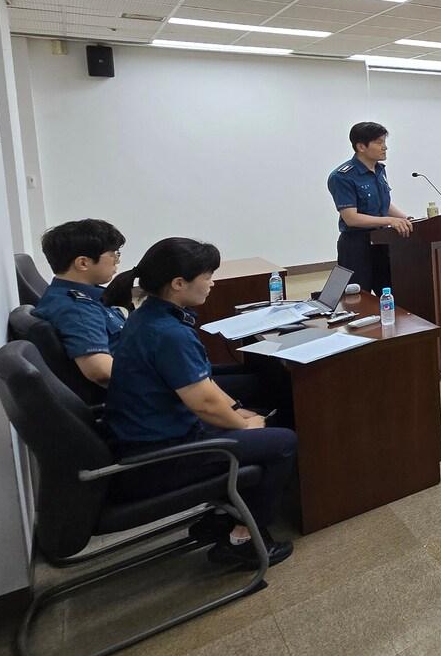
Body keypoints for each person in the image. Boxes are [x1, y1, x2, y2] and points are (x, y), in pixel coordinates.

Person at [105, 238, 295, 567]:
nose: (213, 282)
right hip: (163, 456)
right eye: (207, 276)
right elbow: (204, 404)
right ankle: (242, 540)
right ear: (178, 283)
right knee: (283, 441)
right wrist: (244, 425)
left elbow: (202, 387)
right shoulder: (169, 334)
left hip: (148, 435)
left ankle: (227, 515)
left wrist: (238, 412)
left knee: (259, 415)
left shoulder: (147, 316)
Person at [32, 219, 128, 387]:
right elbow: (100, 369)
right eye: (113, 254)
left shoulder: (72, 295)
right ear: (83, 263)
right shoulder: (77, 309)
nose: (117, 261)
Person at [328, 121, 413, 294]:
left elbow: (384, 203)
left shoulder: (380, 170)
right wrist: (391, 220)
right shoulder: (342, 176)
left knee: (390, 293)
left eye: (384, 142)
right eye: (379, 143)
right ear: (361, 146)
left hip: (382, 241)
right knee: (359, 298)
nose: (385, 147)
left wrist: (407, 219)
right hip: (356, 245)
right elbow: (351, 218)